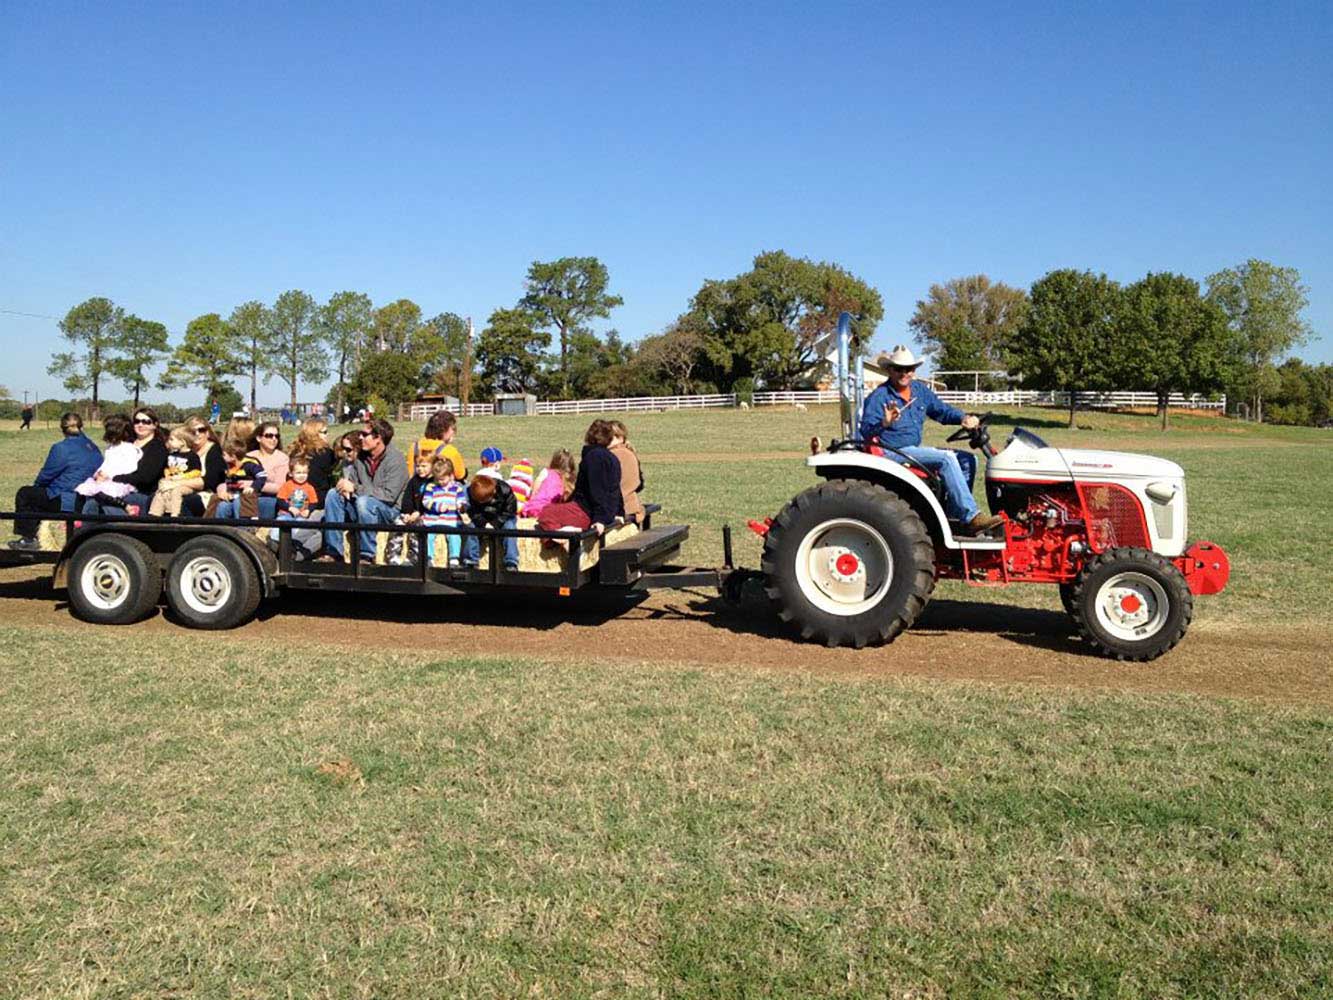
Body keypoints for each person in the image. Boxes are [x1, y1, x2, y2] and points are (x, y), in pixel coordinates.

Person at [858, 345, 1001, 534]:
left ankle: (955, 517)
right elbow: (866, 431)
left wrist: (963, 418)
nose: (904, 373)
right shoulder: (879, 396)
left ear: (914, 371)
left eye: (909, 369)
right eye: (899, 369)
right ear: (890, 370)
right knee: (946, 458)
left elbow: (940, 409)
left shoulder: (919, 390)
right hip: (892, 452)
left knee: (968, 460)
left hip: (912, 450)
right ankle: (971, 516)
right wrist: (884, 422)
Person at [8, 411, 101, 550]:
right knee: (38, 495)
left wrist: (38, 486)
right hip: (87, 499)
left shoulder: (61, 448)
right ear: (81, 426)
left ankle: (28, 539)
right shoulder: (92, 446)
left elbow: (47, 475)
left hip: (67, 500)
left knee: (25, 494)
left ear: (62, 429)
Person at [319, 418, 408, 562]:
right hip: (363, 507)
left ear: (378, 438)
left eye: (364, 434)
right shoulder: (361, 458)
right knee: (332, 495)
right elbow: (352, 482)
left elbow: (389, 495)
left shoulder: (396, 460)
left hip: (388, 512)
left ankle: (367, 555)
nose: (360, 437)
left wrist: (354, 488)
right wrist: (344, 488)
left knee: (364, 502)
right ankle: (334, 552)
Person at [535, 419, 624, 538]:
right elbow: (615, 488)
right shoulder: (612, 458)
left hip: (586, 512)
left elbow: (597, 490)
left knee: (547, 512)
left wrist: (599, 519)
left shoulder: (594, 457)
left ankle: (564, 540)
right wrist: (619, 511)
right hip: (607, 511)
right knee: (557, 508)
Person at [80, 406, 168, 516]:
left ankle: (108, 527)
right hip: (113, 487)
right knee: (90, 495)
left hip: (141, 494)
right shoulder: (126, 443)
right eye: (137, 421)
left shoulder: (157, 448)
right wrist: (100, 474)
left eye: (146, 422)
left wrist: (113, 478)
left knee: (99, 500)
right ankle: (86, 528)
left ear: (155, 425)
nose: (140, 425)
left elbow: (145, 478)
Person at [75, 414, 142, 510]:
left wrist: (109, 476)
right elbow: (106, 464)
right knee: (81, 490)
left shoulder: (129, 448)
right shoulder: (111, 448)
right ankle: (76, 518)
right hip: (104, 480)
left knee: (100, 493)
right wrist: (99, 472)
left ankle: (126, 506)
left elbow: (130, 468)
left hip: (118, 482)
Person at [461, 466, 519, 570]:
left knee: (510, 528)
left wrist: (496, 523)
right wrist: (482, 522)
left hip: (502, 516)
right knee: (470, 528)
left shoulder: (505, 490)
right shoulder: (470, 493)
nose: (479, 502)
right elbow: (472, 511)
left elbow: (510, 510)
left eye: (482, 501)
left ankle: (511, 561)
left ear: (492, 494)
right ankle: (471, 560)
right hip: (481, 516)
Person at [384, 454, 435, 565]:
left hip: (425, 514)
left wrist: (419, 513)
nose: (420, 469)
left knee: (418, 527)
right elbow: (407, 498)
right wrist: (406, 513)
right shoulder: (413, 481)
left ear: (433, 466)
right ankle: (393, 555)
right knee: (398, 523)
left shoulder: (434, 482)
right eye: (418, 466)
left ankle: (414, 557)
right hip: (411, 513)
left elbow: (431, 501)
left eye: (424, 466)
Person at [269, 456, 322, 558]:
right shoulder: (287, 485)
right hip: (286, 515)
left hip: (301, 517)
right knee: (278, 530)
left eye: (304, 473)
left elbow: (314, 502)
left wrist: (308, 510)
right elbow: (280, 500)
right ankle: (276, 544)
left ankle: (291, 550)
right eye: (298, 473)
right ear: (291, 473)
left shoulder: (309, 488)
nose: (301, 476)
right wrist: (289, 508)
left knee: (300, 531)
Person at [147, 426, 205, 516]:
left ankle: (175, 514)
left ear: (182, 442)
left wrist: (181, 477)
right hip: (171, 481)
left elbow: (197, 472)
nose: (169, 442)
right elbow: (167, 468)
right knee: (161, 491)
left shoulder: (192, 456)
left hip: (185, 485)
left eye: (172, 439)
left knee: (176, 492)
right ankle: (154, 513)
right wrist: (167, 475)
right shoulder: (172, 455)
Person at [419, 455, 466, 566]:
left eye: (443, 479)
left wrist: (461, 507)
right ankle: (429, 557)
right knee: (429, 535)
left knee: (455, 536)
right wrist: (437, 506)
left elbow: (461, 501)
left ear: (450, 476)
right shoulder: (431, 487)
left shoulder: (457, 488)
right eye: (438, 479)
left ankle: (454, 558)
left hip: (450, 521)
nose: (440, 482)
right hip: (434, 521)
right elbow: (426, 501)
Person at [179, 416, 225, 516]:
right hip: (179, 490)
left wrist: (177, 483)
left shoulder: (214, 451)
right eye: (192, 431)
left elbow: (210, 481)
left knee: (186, 500)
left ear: (208, 433)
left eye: (201, 430)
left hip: (206, 494)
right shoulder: (182, 451)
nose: (197, 434)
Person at [208, 440, 265, 518]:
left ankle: (244, 525)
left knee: (238, 503)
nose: (222, 456)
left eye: (224, 455)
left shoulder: (249, 465)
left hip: (245, 497)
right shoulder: (227, 468)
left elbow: (262, 475)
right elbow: (223, 482)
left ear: (233, 456)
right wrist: (224, 492)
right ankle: (217, 526)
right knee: (222, 506)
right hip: (232, 495)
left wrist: (253, 487)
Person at [409, 410, 467, 482]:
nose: (454, 432)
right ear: (445, 430)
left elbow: (410, 472)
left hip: (418, 490)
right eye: (453, 428)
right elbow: (460, 475)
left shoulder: (415, 446)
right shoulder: (449, 450)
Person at [248, 421, 289, 520]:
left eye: (276, 436)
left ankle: (247, 532)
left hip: (270, 497)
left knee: (247, 503)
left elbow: (280, 487)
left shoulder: (282, 458)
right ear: (259, 438)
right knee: (224, 506)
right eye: (269, 436)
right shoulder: (250, 456)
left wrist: (253, 485)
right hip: (247, 496)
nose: (274, 439)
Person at [287, 418, 337, 500]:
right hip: (319, 496)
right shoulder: (325, 453)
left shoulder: (296, 451)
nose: (327, 434)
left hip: (298, 495)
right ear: (315, 434)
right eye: (324, 432)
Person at [608, 420, 645, 525]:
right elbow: (640, 484)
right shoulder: (630, 453)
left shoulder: (614, 455)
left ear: (620, 437)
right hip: (633, 508)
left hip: (619, 512)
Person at [523, 448, 576, 520]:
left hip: (534, 507)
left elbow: (534, 491)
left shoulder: (545, 472)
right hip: (549, 511)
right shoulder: (568, 480)